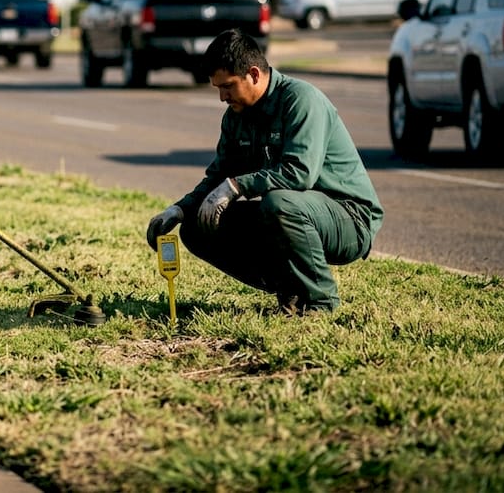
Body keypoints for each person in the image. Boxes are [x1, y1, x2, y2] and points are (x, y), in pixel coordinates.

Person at [146, 28, 383, 314]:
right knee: (197, 226)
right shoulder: (236, 116)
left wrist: (236, 187)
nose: (222, 96)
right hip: (294, 214)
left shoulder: (300, 100)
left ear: (254, 74)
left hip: (348, 218)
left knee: (279, 203)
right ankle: (291, 290)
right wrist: (180, 209)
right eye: (217, 88)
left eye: (228, 86)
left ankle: (321, 301)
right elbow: (219, 175)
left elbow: (299, 173)